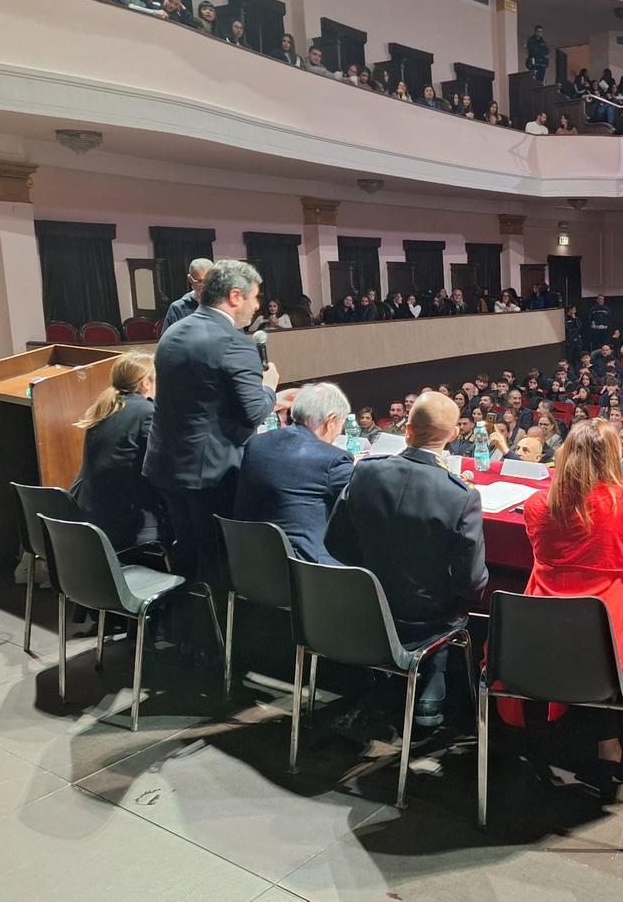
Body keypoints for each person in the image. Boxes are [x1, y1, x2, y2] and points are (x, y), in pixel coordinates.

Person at [510, 418, 623, 779]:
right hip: (606, 640)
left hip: (541, 635)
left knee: (583, 639)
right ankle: (609, 745)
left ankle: (544, 736)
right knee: (607, 638)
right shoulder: (621, 506)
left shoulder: (537, 504)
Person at [325, 392, 488, 728]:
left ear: (408, 430)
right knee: (452, 606)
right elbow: (472, 582)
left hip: (364, 604)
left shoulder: (366, 472)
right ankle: (433, 676)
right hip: (426, 615)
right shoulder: (461, 496)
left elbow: (334, 542)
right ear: (454, 435)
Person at [144, 260, 280, 594]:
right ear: (235, 296)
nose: (257, 305)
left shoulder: (174, 331)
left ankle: (182, 630)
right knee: (217, 559)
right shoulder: (233, 343)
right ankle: (216, 635)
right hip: (209, 473)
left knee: (186, 550)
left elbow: (200, 398)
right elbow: (253, 413)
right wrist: (270, 387)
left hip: (167, 463)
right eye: (255, 297)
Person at [233, 383, 354, 564]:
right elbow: (362, 499)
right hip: (304, 568)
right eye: (341, 425)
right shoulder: (332, 459)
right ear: (331, 421)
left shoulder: (256, 444)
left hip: (248, 561)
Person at [70, 352, 168, 552]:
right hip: (127, 524)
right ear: (145, 383)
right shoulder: (147, 413)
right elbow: (163, 466)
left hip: (92, 516)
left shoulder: (103, 409)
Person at [164, 258, 213, 326]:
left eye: (209, 281)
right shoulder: (178, 308)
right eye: (200, 281)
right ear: (190, 279)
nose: (205, 286)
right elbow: (169, 336)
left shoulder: (221, 305)